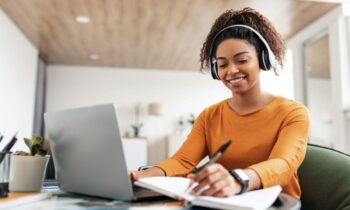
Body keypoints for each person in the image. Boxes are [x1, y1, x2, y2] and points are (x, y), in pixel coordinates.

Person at [131, 7, 309, 199]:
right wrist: (141, 176)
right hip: (226, 204)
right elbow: (182, 161)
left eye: (242, 60)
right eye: (222, 64)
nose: (231, 70)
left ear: (263, 59)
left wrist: (237, 180)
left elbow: (283, 164)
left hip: (277, 204)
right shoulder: (210, 116)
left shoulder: (293, 113)